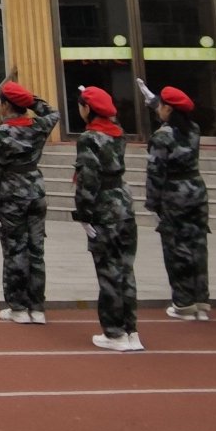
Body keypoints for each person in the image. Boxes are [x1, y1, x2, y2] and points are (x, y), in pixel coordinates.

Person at [71, 86, 141, 352]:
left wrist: (84, 214)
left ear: (87, 109)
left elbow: (89, 178)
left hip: (103, 206)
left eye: (81, 105)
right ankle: (130, 329)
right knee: (125, 269)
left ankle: (114, 333)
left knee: (108, 271)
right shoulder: (117, 133)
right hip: (123, 202)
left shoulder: (89, 138)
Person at [0, 80, 57, 324]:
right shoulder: (39, 126)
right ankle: (37, 307)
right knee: (36, 250)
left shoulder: (0, 133)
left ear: (5, 106)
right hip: (36, 192)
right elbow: (52, 112)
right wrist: (30, 100)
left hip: (11, 195)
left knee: (15, 250)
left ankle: (18, 307)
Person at [145, 84, 210, 320]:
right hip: (196, 190)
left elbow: (155, 172)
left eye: (161, 106)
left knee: (176, 249)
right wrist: (153, 101)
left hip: (173, 194)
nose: (158, 110)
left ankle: (183, 302)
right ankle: (201, 300)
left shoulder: (162, 136)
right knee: (198, 246)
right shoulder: (194, 129)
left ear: (168, 109)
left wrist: (152, 204)